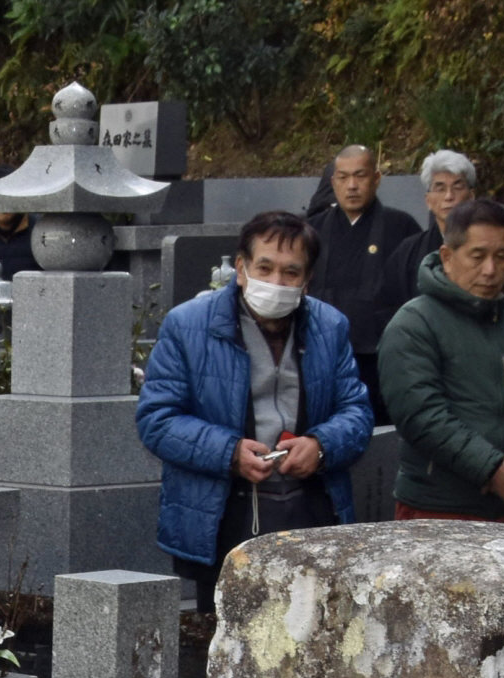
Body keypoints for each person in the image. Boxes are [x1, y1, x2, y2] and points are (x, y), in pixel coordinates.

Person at [136, 211, 373, 588]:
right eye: (265, 268)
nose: (276, 282)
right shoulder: (188, 325)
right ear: (242, 269)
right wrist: (228, 452)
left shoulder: (330, 326)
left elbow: (357, 412)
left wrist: (321, 445)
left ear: (307, 280)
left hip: (311, 507)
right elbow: (157, 419)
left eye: (290, 273)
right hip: (221, 510)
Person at [374, 198, 504, 524]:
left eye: (501, 257)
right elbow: (423, 417)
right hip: (437, 507)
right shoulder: (414, 324)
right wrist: (492, 470)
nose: (490, 270)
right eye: (477, 256)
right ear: (447, 257)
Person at [306, 145, 421, 411]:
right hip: (323, 353)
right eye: (343, 178)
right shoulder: (312, 230)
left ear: (377, 179)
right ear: (333, 182)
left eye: (360, 176)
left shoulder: (401, 226)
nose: (352, 186)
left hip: (379, 355)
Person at [378, 150, 477, 346]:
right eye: (440, 188)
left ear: (471, 196)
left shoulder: (486, 248)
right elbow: (386, 307)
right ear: (428, 201)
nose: (449, 196)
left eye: (457, 187)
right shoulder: (408, 251)